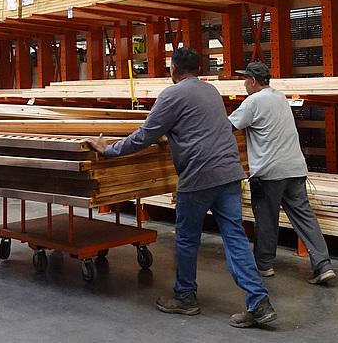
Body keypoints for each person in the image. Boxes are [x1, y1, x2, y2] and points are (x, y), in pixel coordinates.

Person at [85, 47, 277, 329]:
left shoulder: (171, 95)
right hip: (229, 173)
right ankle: (259, 302)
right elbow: (200, 127)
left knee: (187, 239)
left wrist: (109, 150)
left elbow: (144, 135)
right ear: (199, 69)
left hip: (198, 176)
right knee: (235, 237)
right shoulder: (211, 91)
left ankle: (185, 297)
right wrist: (173, 137)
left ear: (173, 69)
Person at [229, 61, 336, 285]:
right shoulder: (280, 97)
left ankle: (264, 265)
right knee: (305, 217)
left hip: (269, 172)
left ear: (253, 81)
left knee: (266, 219)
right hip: (295, 169)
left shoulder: (253, 101)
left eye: (245, 80)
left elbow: (226, 127)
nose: (244, 84)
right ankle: (323, 264)